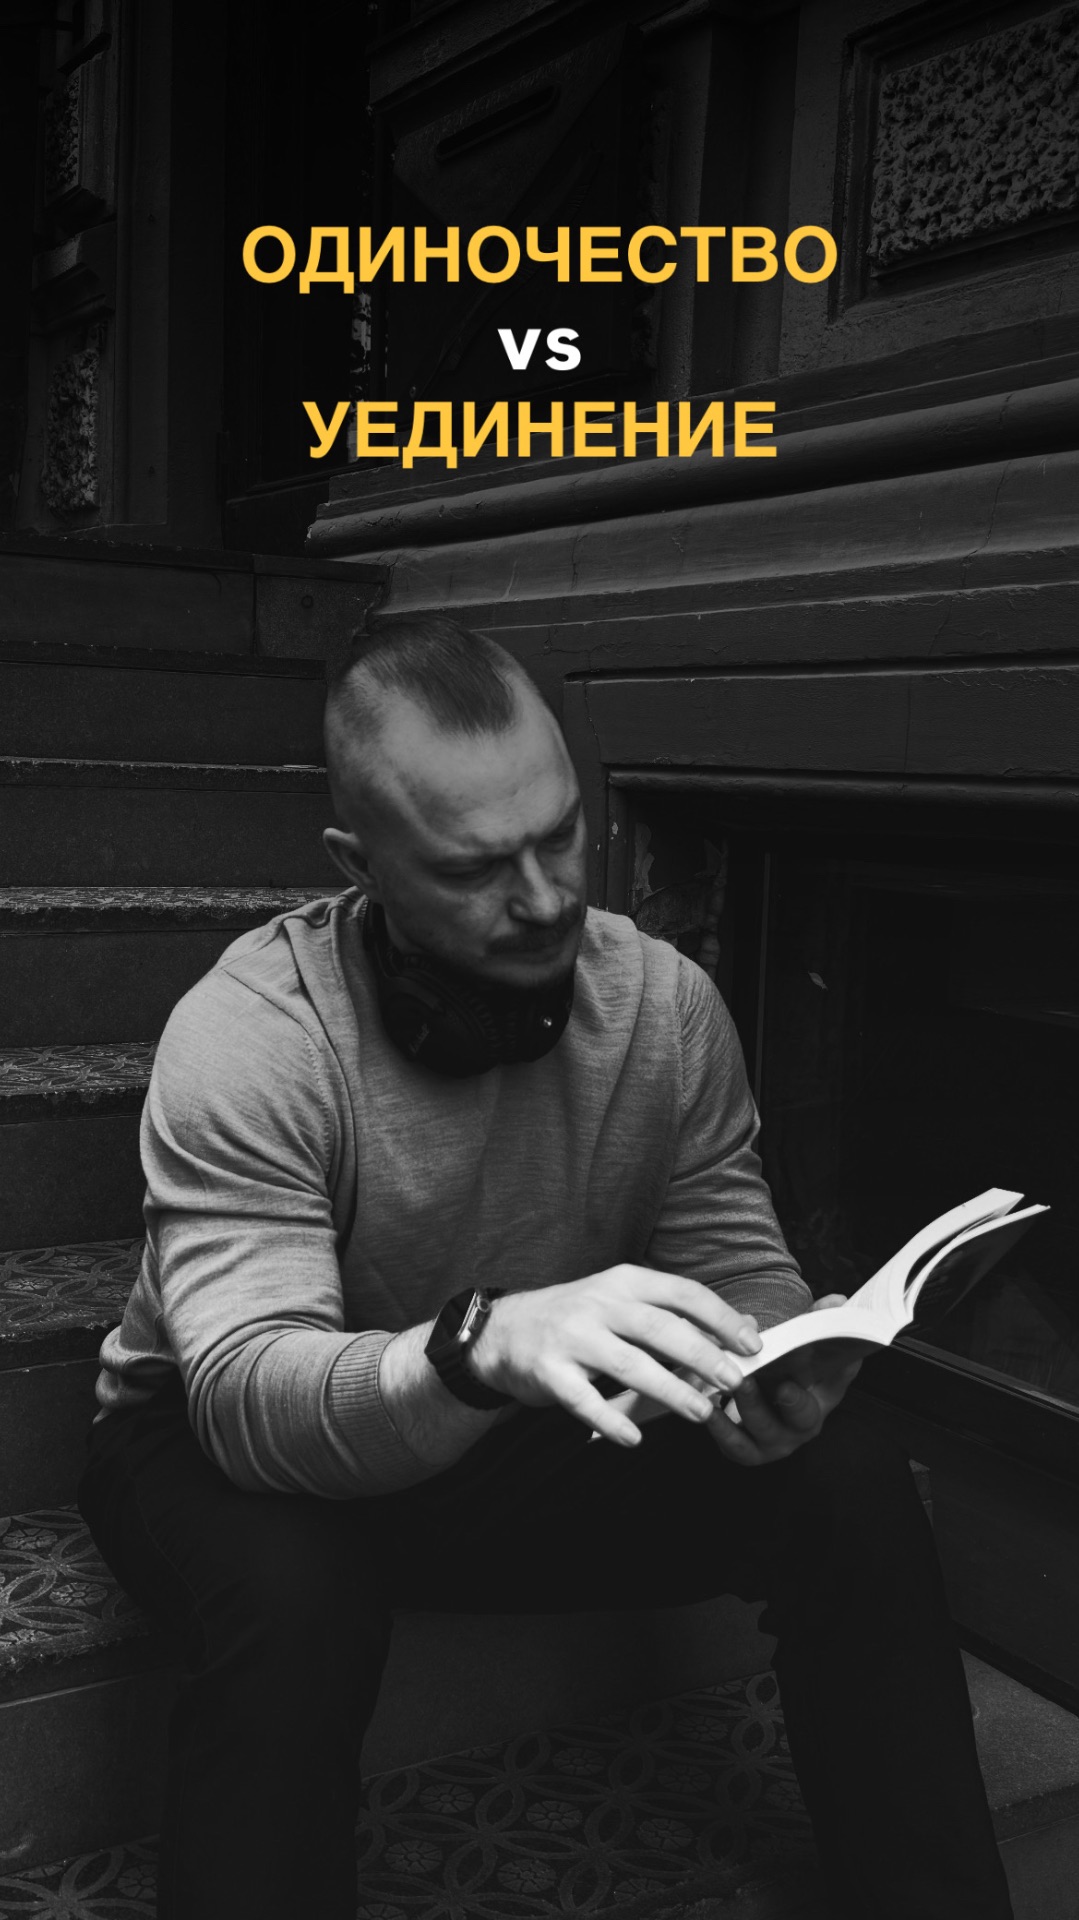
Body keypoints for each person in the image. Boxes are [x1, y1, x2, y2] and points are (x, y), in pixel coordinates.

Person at [78, 615, 1012, 1920]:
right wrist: (479, 1340)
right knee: (298, 1596)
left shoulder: (664, 1004)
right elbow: (248, 1396)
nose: (545, 898)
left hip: (504, 1424)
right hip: (223, 1438)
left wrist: (777, 1359)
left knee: (848, 1478)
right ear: (359, 865)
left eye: (560, 836)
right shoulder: (251, 1034)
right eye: (473, 868)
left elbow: (735, 1255)